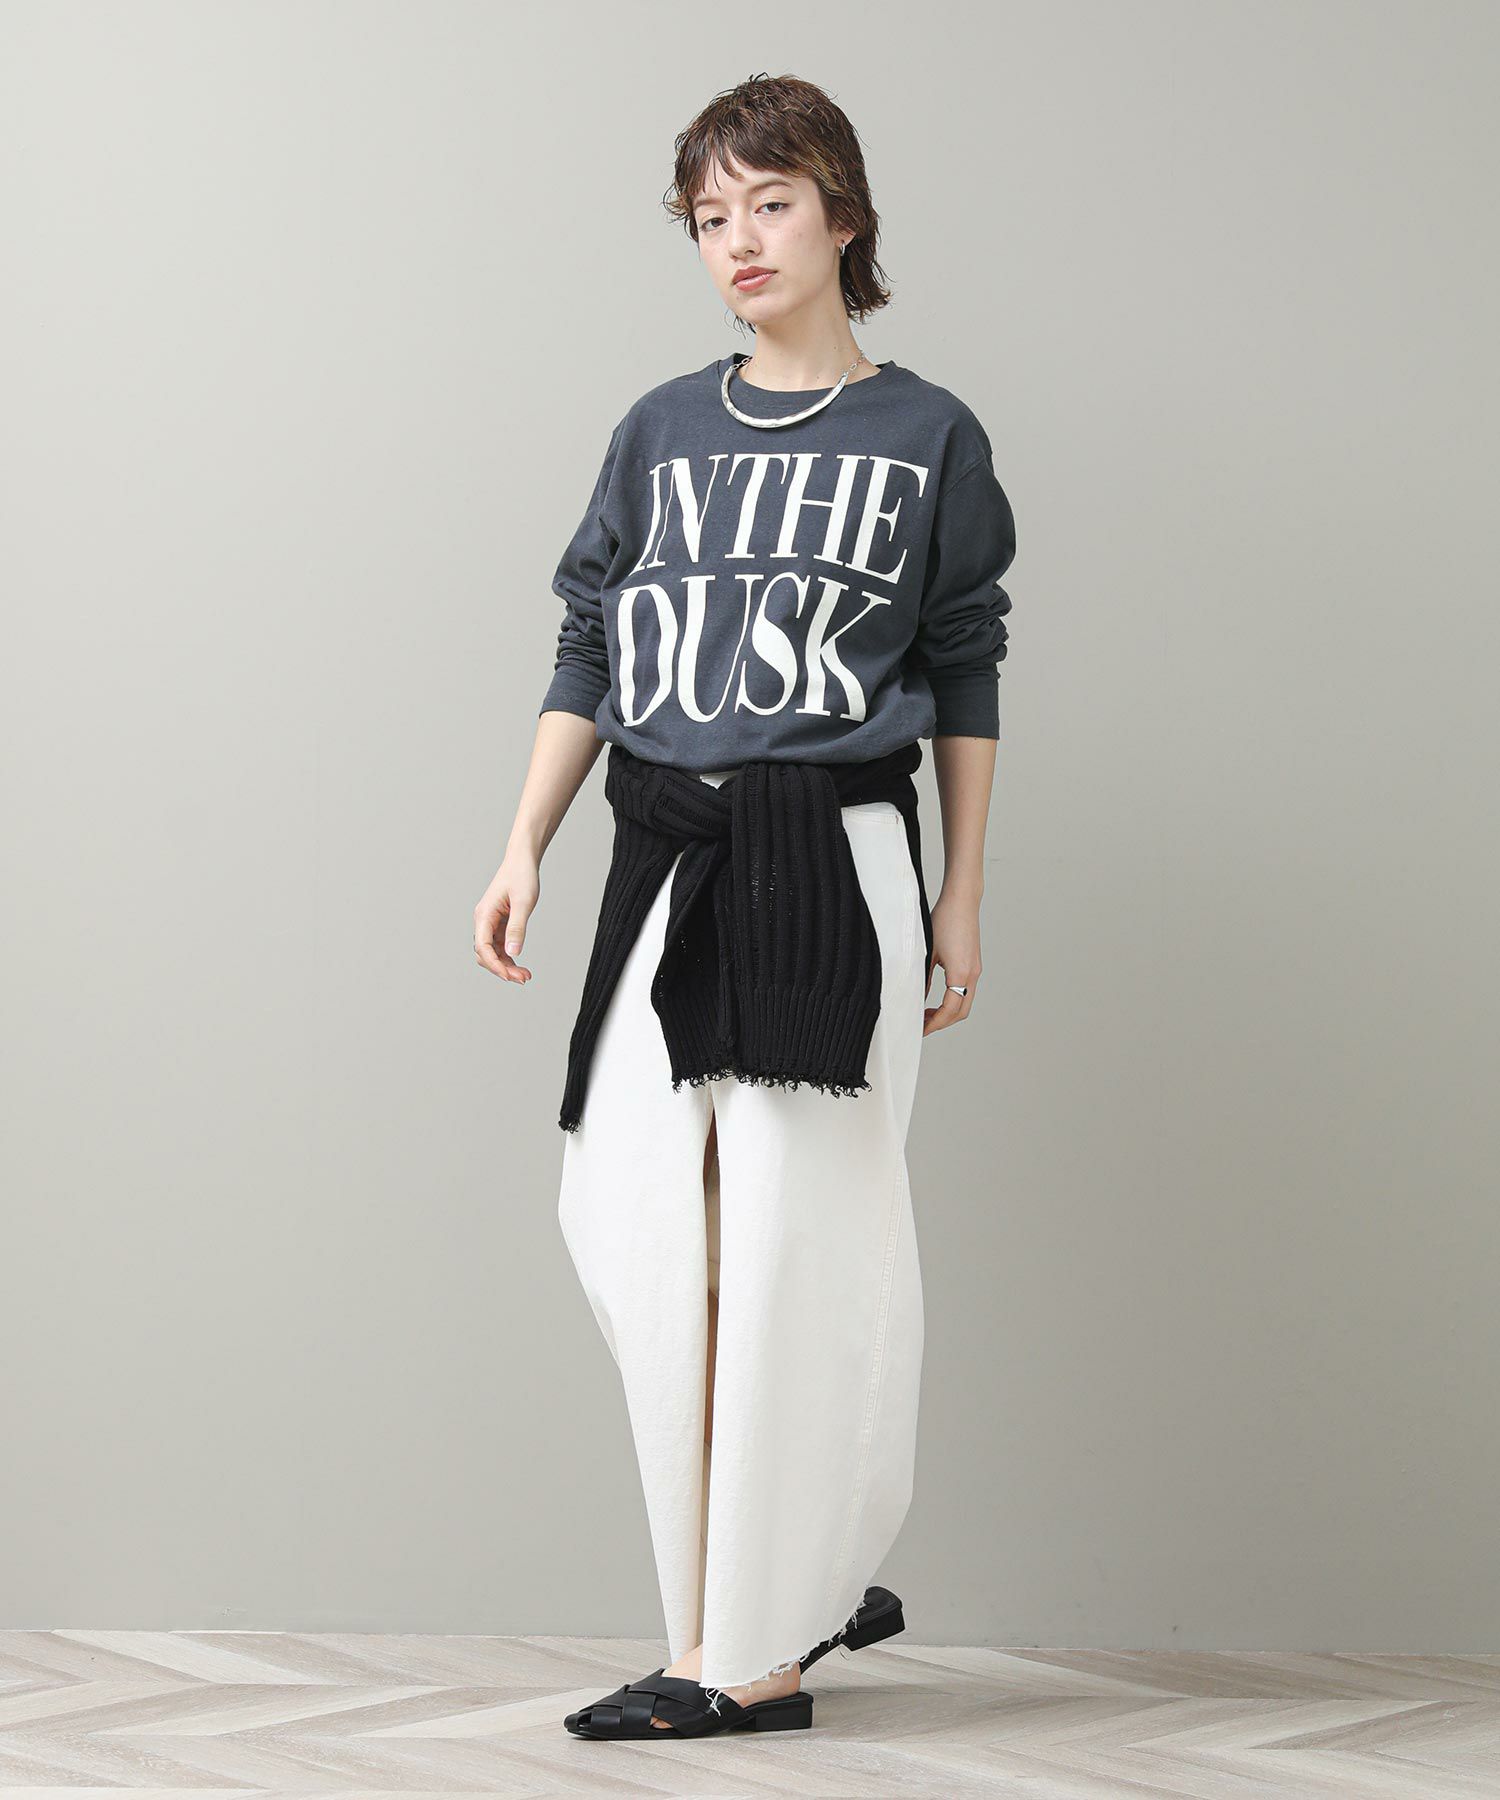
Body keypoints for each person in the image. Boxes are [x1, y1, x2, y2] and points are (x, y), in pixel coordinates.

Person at [473, 71, 1017, 1742]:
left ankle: (746, 1653)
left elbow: (963, 663)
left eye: (768, 204)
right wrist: (524, 841)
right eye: (709, 217)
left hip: (831, 856)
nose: (738, 242)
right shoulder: (660, 428)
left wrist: (962, 893)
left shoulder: (925, 437)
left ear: (841, 215)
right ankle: (801, 1578)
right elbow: (590, 638)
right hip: (665, 850)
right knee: (641, 1227)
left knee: (796, 1245)